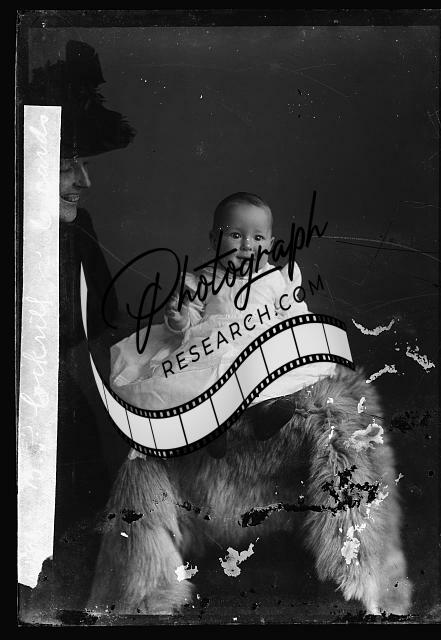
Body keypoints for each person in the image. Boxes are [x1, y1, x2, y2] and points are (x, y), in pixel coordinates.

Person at [22, 40, 136, 615]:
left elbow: (108, 330)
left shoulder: (78, 229)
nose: (84, 180)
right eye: (67, 164)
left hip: (72, 435)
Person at [110, 192, 336, 457]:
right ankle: (215, 428)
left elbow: (293, 312)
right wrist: (179, 319)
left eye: (258, 238)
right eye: (236, 235)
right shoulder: (202, 280)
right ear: (214, 239)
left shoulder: (276, 279)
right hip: (214, 344)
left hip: (260, 341)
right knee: (205, 382)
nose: (247, 246)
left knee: (264, 375)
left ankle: (267, 412)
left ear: (271, 244)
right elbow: (192, 320)